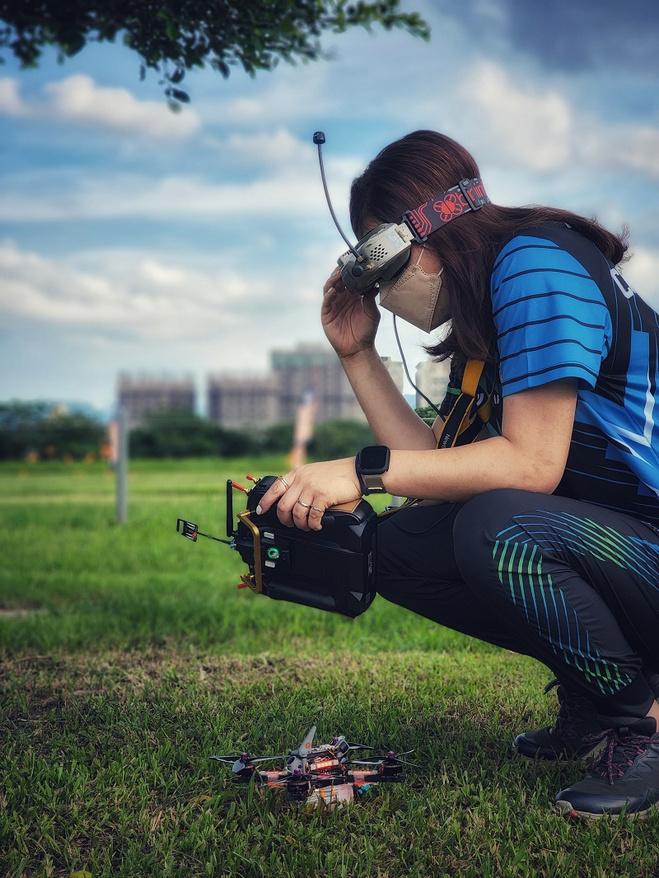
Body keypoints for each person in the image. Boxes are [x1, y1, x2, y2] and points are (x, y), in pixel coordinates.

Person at [258, 130, 659, 818]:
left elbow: (530, 466)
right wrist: (357, 355)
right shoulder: (487, 319)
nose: (381, 297)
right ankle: (595, 701)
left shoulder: (536, 264)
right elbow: (432, 468)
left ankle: (641, 721)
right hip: (624, 547)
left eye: (379, 269)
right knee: (397, 544)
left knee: (497, 528)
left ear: (422, 237)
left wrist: (359, 472)